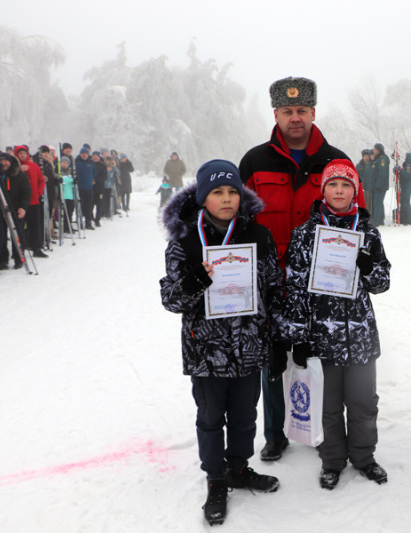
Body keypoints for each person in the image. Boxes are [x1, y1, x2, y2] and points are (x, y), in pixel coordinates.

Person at [239, 76, 363, 462]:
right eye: (288, 111)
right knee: (273, 357)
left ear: (313, 112)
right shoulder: (255, 162)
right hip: (271, 280)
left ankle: (324, 429)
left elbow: (356, 219)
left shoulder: (336, 161)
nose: (295, 118)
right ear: (275, 113)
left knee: (321, 357)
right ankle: (276, 433)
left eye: (302, 111)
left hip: (322, 283)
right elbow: (240, 221)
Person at [160, 159, 286, 526]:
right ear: (202, 198)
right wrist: (196, 279)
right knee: (212, 417)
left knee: (246, 416)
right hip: (207, 350)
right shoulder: (185, 241)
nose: (227, 198)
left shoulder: (257, 235)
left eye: (232, 191)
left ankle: (239, 469)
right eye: (217, 192)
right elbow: (171, 299)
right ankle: (216, 479)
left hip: (248, 346)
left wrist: (275, 340)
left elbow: (273, 289)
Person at [285, 159, 390, 490]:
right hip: (320, 337)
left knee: (363, 404)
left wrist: (369, 265)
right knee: (327, 407)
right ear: (323, 190)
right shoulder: (304, 234)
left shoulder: (368, 232)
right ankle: (331, 461)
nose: (340, 190)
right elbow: (296, 288)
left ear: (355, 190)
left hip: (359, 336)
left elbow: (382, 282)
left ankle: (363, 457)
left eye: (346, 185)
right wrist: (299, 338)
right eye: (333, 184)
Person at [0, 152, 31, 269]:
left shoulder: (19, 175)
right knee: (0, 235)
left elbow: (26, 192)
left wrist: (23, 207)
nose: (4, 163)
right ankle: (2, 259)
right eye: (1, 161)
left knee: (17, 233)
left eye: (6, 161)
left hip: (16, 208)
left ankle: (18, 258)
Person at [75, 147, 95, 230]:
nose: (84, 155)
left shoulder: (90, 162)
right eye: (83, 153)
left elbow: (94, 173)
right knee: (81, 206)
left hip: (89, 187)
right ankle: (80, 221)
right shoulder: (77, 162)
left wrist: (92, 179)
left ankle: (88, 222)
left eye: (86, 153)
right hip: (80, 188)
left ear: (88, 154)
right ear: (80, 154)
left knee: (89, 206)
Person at [370, 143, 389, 226]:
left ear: (378, 150)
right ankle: (380, 219)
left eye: (375, 149)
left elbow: (382, 174)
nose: (373, 151)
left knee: (377, 203)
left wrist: (378, 185)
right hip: (376, 185)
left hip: (380, 186)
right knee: (379, 202)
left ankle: (376, 221)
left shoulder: (383, 160)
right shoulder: (378, 159)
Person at [398, 152, 411, 225]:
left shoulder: (409, 167)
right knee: (403, 201)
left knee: (406, 202)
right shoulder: (407, 166)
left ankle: (408, 219)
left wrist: (400, 170)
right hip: (404, 186)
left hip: (407, 187)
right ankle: (404, 218)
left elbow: (407, 176)